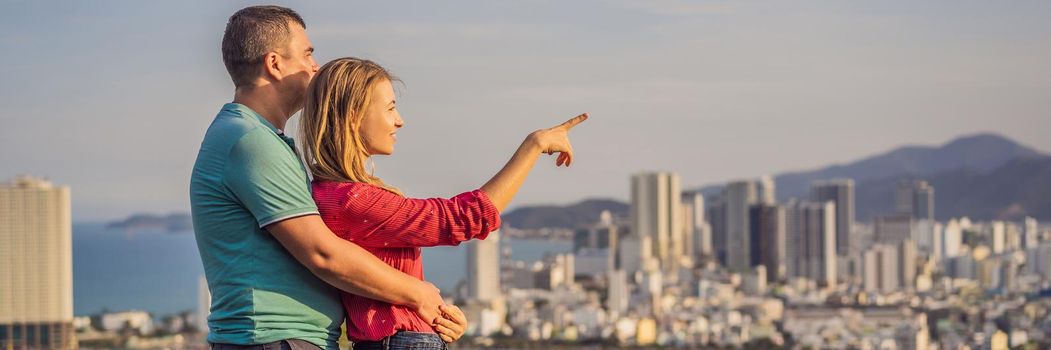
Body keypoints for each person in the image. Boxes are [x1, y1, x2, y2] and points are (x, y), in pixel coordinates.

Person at [189, 6, 464, 350]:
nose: (315, 66)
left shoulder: (257, 138)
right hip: (276, 339)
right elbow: (323, 253)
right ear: (274, 64)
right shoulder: (250, 141)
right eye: (307, 53)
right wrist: (418, 294)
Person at [298, 57, 588, 349]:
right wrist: (534, 145)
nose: (400, 120)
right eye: (389, 108)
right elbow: (464, 218)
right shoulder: (352, 200)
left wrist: (434, 319)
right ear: (353, 116)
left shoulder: (331, 195)